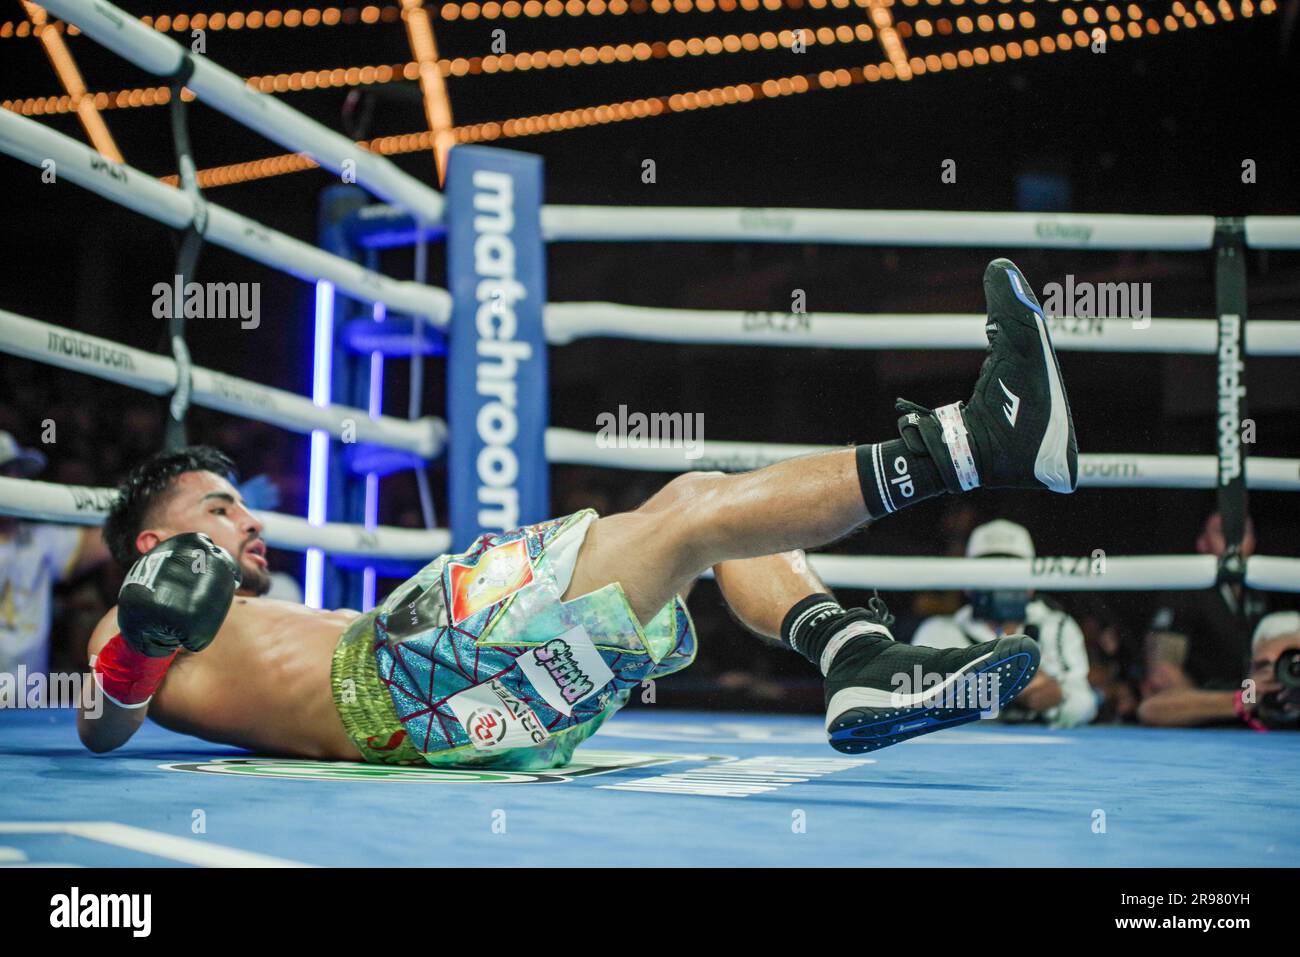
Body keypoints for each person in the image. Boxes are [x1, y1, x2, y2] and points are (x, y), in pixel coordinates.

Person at [77, 259, 1078, 767]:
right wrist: (145, 635)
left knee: (705, 515)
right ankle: (976, 443)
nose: (250, 522)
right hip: (409, 681)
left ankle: (859, 662)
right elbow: (102, 727)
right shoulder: (139, 621)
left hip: (465, 705)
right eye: (220, 507)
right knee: (693, 515)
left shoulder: (245, 611)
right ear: (155, 542)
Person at [911, 520, 1098, 728]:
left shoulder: (1056, 627)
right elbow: (915, 703)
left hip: (1038, 753)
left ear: (1031, 584)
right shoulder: (939, 631)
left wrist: (1056, 698)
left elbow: (1085, 702)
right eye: (990, 572)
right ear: (967, 583)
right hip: (962, 751)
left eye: (1010, 572)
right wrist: (1000, 686)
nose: (1000, 582)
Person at [0, 431, 111, 676]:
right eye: (4, 472)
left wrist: (144, 509)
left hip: (25, 698)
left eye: (15, 471)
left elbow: (106, 539)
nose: (12, 478)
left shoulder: (40, 538)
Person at [1141, 511, 1267, 701]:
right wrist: (1221, 705)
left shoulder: (1263, 588)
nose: (1234, 541)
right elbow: (1162, 671)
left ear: (1254, 541)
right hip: (1203, 710)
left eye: (1242, 531)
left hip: (1254, 705)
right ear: (1202, 543)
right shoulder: (1185, 590)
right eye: (1222, 532)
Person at [1137, 611, 1300, 729]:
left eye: (1293, 665)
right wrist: (1241, 702)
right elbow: (1149, 710)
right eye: (1265, 665)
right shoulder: (1237, 695)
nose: (1280, 674)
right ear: (1251, 667)